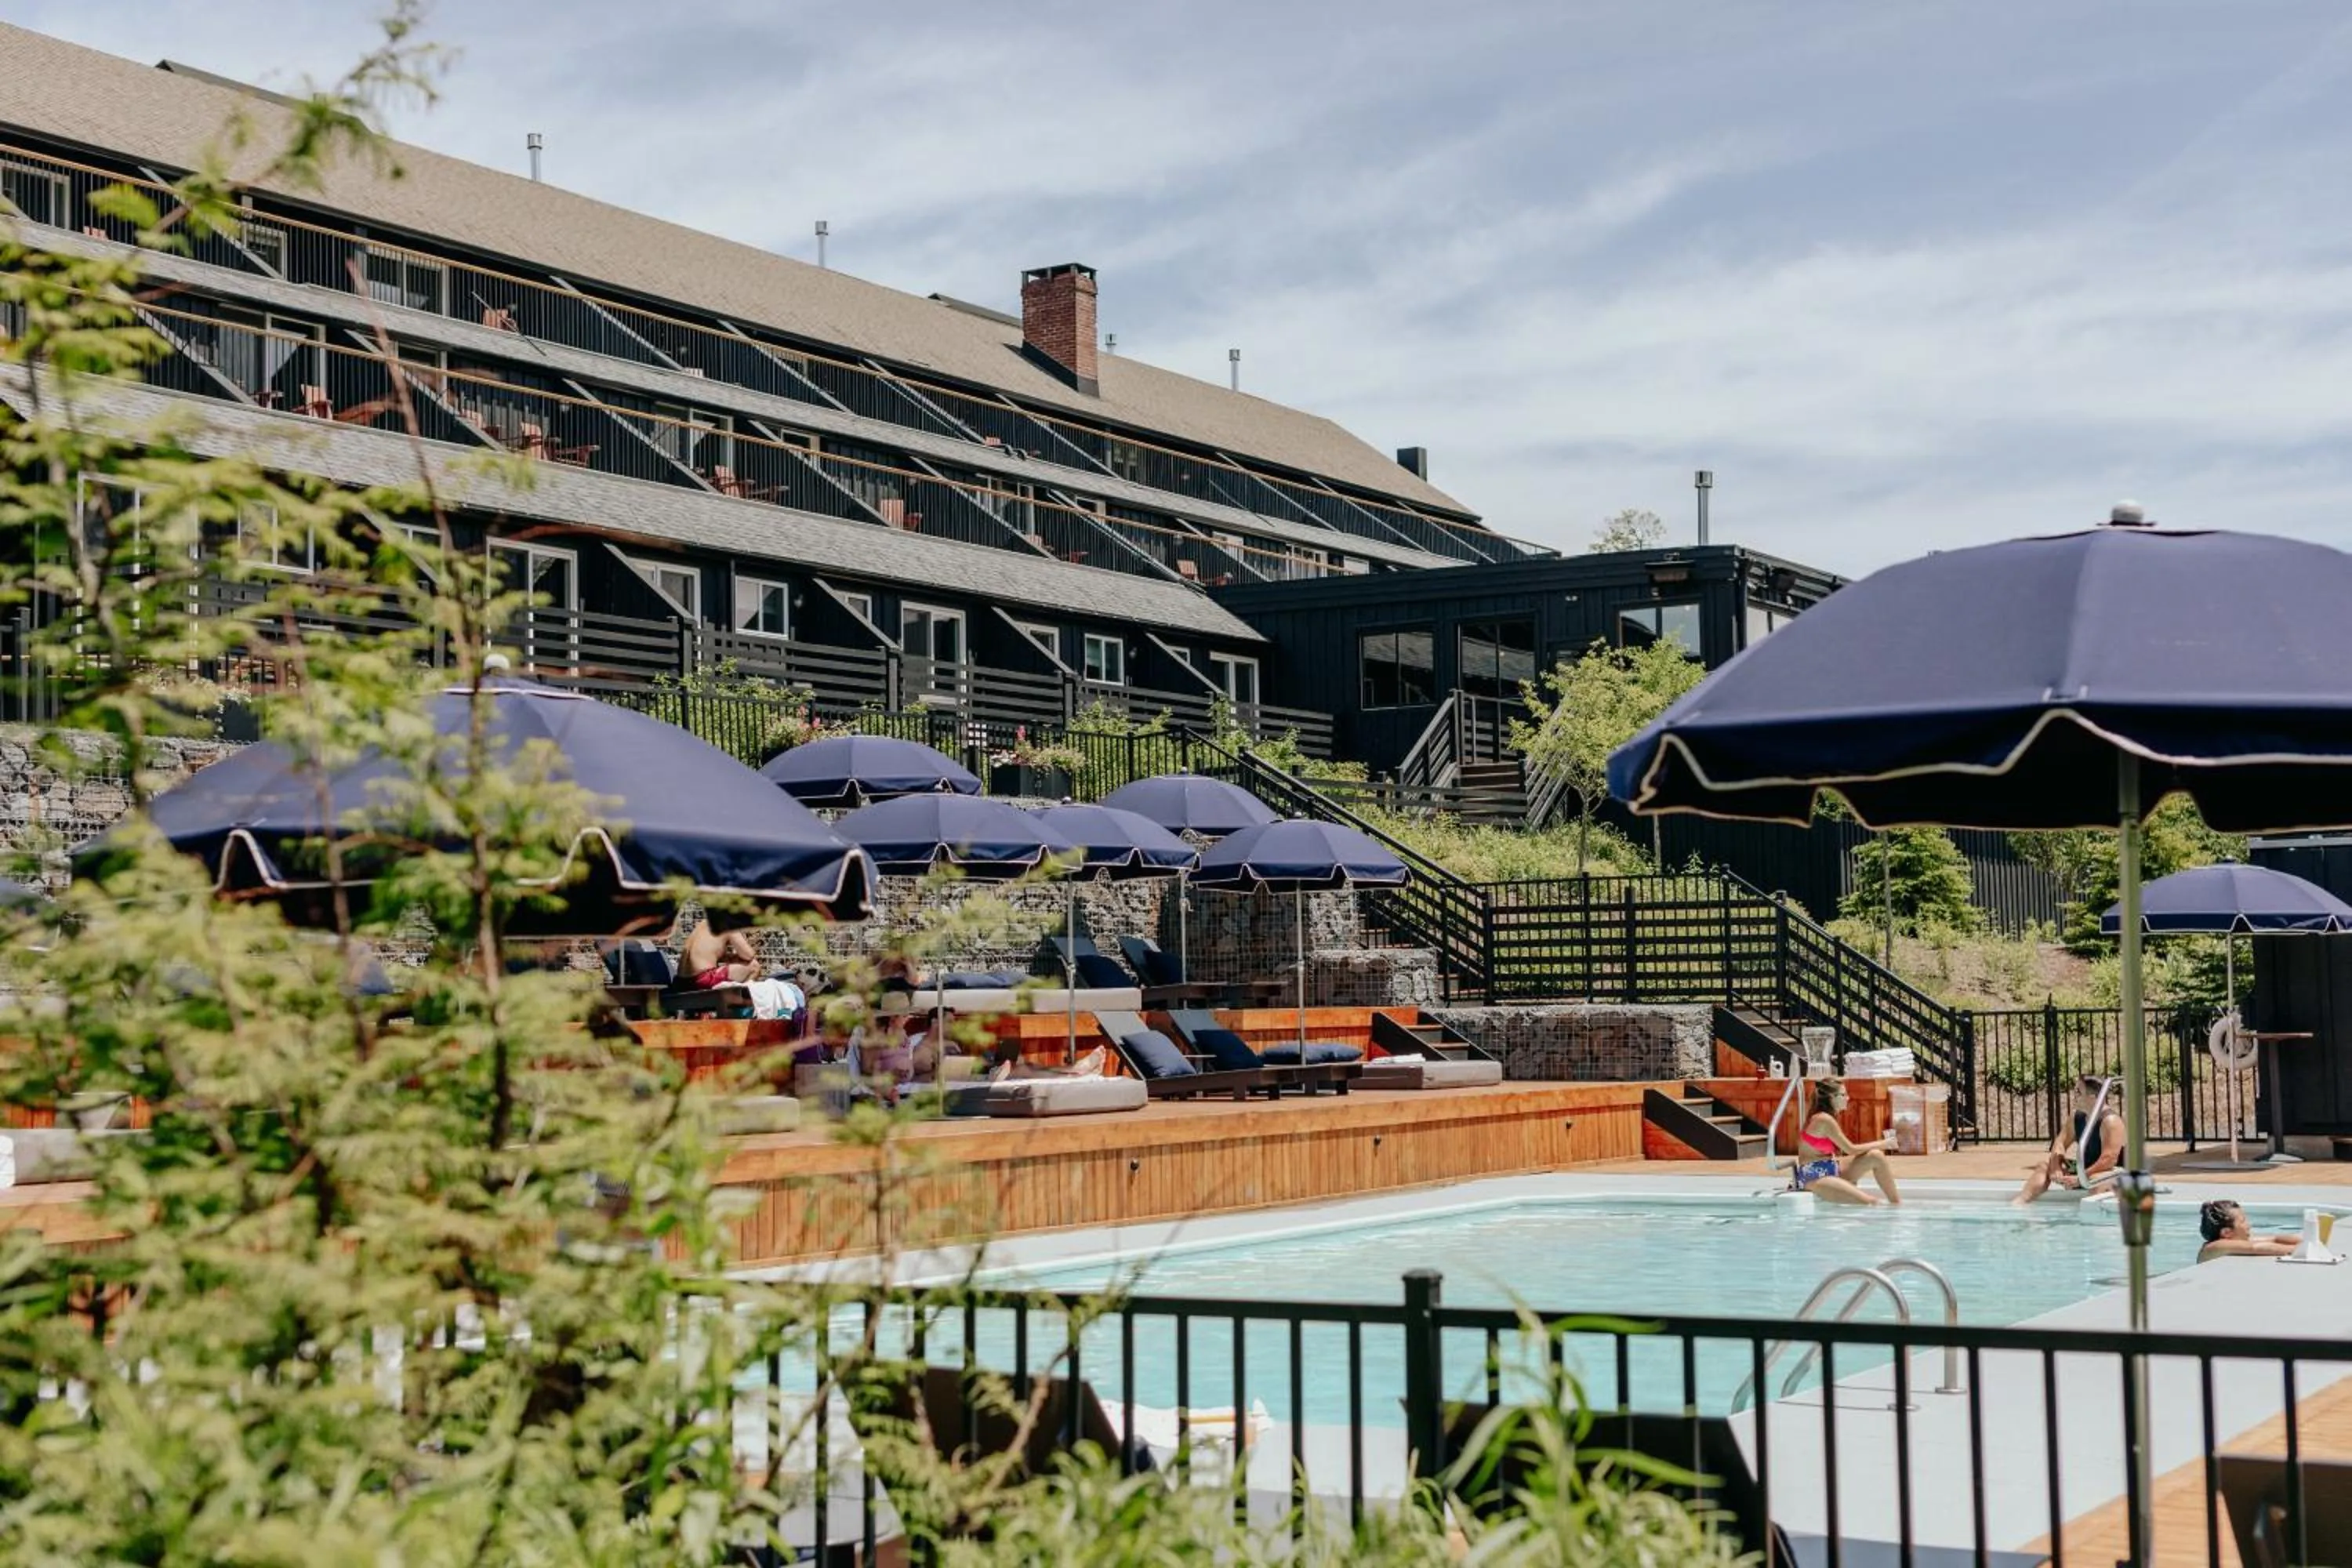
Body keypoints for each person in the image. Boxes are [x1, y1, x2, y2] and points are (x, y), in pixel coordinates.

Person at [2013, 1076, 2126, 1204]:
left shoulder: (2111, 1121)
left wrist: (2080, 1178)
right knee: (2044, 1167)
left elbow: (2109, 1160)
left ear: (2093, 1097)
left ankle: (2092, 1221)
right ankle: (2018, 1205)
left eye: (2078, 1092)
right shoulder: (2077, 1117)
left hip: (2112, 1172)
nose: (2074, 1096)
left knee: (2096, 1181)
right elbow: (2060, 1143)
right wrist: (2056, 1166)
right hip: (2086, 1169)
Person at [1790, 1079, 1902, 1206]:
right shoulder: (1824, 1120)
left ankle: (1897, 1205)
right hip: (1814, 1177)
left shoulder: (1824, 1117)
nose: (1848, 1098)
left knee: (1876, 1156)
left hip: (1831, 1167)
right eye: (1843, 1095)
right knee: (1872, 1202)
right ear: (1831, 1098)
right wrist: (1884, 1144)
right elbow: (1851, 1149)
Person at [2196, 1199, 2300, 1262]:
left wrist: (2306, 1242)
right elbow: (2256, 1247)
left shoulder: (2232, 1242)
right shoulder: (2215, 1246)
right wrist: (2306, 1250)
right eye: (2243, 1222)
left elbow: (2274, 1239)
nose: (2249, 1226)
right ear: (2227, 1233)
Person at [678, 916, 761, 989]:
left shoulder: (704, 923)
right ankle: (739, 1003)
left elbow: (707, 954)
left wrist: (731, 958)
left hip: (681, 981)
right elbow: (749, 955)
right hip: (702, 980)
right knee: (754, 966)